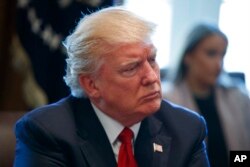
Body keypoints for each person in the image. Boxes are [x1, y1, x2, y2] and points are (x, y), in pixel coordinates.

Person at [14, 6, 210, 167]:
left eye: (152, 60)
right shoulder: (47, 132)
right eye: (131, 68)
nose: (151, 77)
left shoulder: (186, 129)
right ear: (91, 84)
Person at [163, 23, 250, 167]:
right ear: (188, 56)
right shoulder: (167, 100)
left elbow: (245, 152)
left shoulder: (238, 98)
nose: (219, 64)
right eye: (211, 53)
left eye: (222, 55)